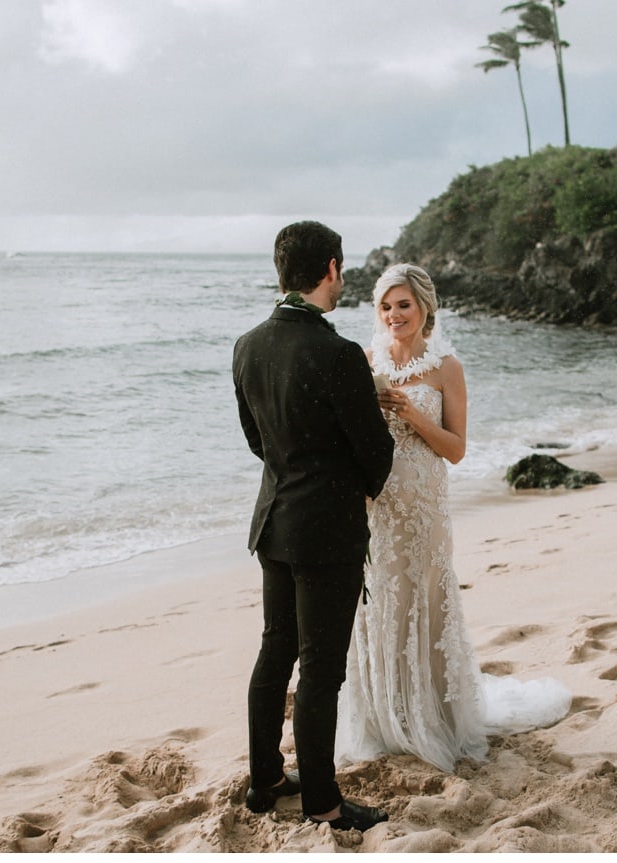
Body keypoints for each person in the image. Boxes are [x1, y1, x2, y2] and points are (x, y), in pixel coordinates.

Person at [335, 263, 571, 773]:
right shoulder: (366, 360)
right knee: (378, 608)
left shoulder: (447, 367)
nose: (394, 315)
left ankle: (432, 717)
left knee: (422, 602)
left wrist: (412, 413)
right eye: (386, 306)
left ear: (424, 309)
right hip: (377, 506)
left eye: (404, 305)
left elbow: (457, 450)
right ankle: (383, 718)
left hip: (423, 508)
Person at [233, 221, 397, 832]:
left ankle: (265, 779)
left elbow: (258, 442)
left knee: (275, 652)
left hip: (273, 523)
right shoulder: (337, 353)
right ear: (330, 268)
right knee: (321, 668)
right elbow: (375, 453)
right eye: (342, 268)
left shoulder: (247, 345)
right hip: (325, 530)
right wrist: (347, 486)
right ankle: (324, 801)